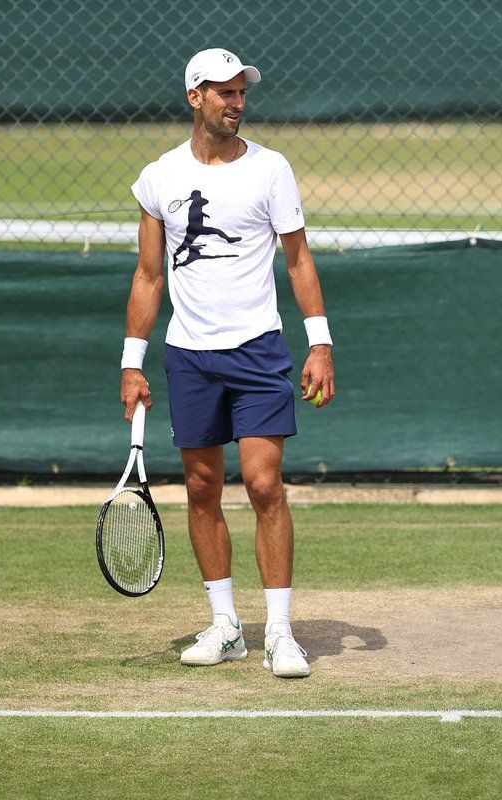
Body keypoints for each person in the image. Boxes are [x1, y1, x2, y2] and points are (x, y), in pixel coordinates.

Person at [120, 48, 334, 678]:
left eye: (242, 92)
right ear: (195, 97)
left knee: (265, 486)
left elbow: (298, 260)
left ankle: (281, 633)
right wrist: (133, 363)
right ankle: (226, 625)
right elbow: (148, 274)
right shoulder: (158, 176)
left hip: (258, 350)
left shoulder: (272, 170)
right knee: (202, 487)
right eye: (224, 93)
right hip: (189, 356)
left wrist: (320, 344)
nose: (237, 102)